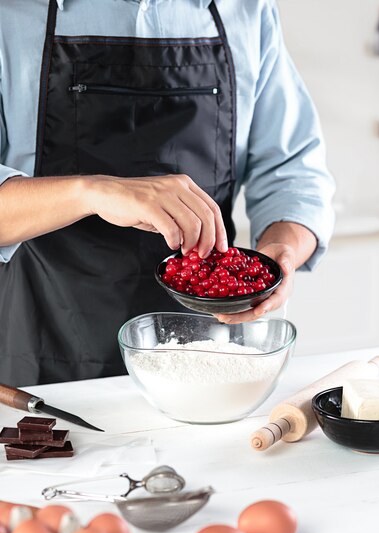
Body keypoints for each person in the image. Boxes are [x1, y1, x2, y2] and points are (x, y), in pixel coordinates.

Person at [0, 0, 334, 387]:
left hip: (209, 355)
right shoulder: (11, 12)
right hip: (44, 350)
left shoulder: (245, 10)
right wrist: (93, 191)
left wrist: (284, 247)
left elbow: (292, 170)